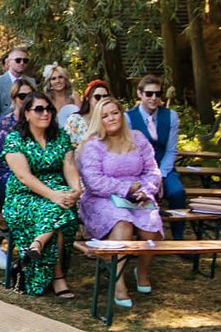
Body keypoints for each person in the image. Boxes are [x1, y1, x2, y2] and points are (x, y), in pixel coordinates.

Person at [78, 94, 165, 305]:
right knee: (122, 222)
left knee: (151, 225)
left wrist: (145, 190)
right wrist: (125, 188)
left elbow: (152, 170)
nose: (111, 118)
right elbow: (93, 181)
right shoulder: (93, 145)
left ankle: (141, 272)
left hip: (138, 195)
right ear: (99, 120)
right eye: (105, 116)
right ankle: (119, 283)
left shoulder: (138, 138)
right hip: (103, 197)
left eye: (115, 113)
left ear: (122, 115)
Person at [0, 93, 82, 299]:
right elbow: (23, 176)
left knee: (63, 208)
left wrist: (76, 190)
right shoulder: (15, 139)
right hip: (23, 196)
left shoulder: (60, 136)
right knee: (60, 211)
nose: (45, 113)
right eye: (39, 109)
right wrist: (53, 195)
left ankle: (37, 244)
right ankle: (58, 277)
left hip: (56, 192)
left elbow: (69, 166)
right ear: (27, 114)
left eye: (49, 109)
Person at [126, 77, 186, 209]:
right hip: (139, 171)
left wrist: (160, 175)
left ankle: (178, 230)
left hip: (164, 167)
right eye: (149, 94)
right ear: (139, 93)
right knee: (137, 197)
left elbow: (171, 150)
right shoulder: (128, 117)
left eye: (157, 94)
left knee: (177, 193)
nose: (153, 98)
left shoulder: (171, 116)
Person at [0, 46, 31, 119]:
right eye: (18, 60)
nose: (22, 63)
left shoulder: (31, 82)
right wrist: (5, 127)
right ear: (8, 62)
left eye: (25, 60)